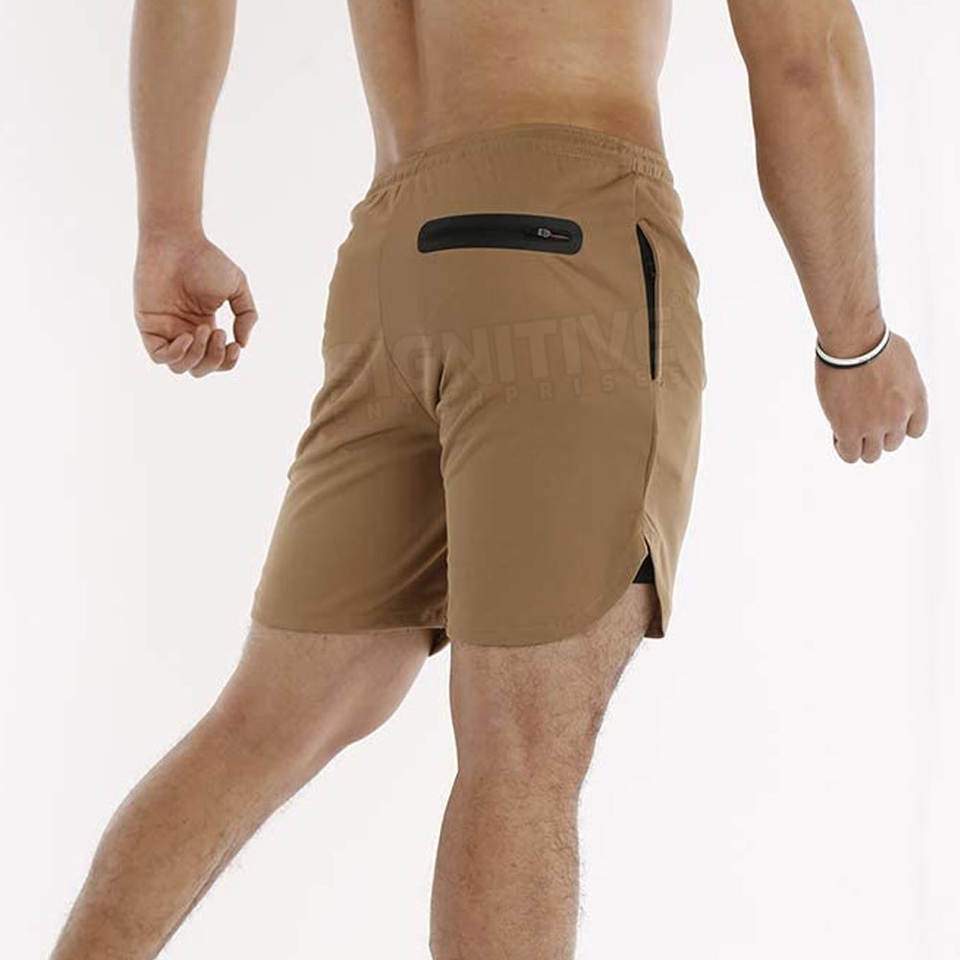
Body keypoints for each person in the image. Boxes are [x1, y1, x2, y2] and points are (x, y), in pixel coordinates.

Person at [51, 1, 929, 958]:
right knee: (521, 753)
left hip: (393, 266)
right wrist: (855, 340)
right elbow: (804, 56)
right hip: (563, 240)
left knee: (263, 724)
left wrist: (169, 226)